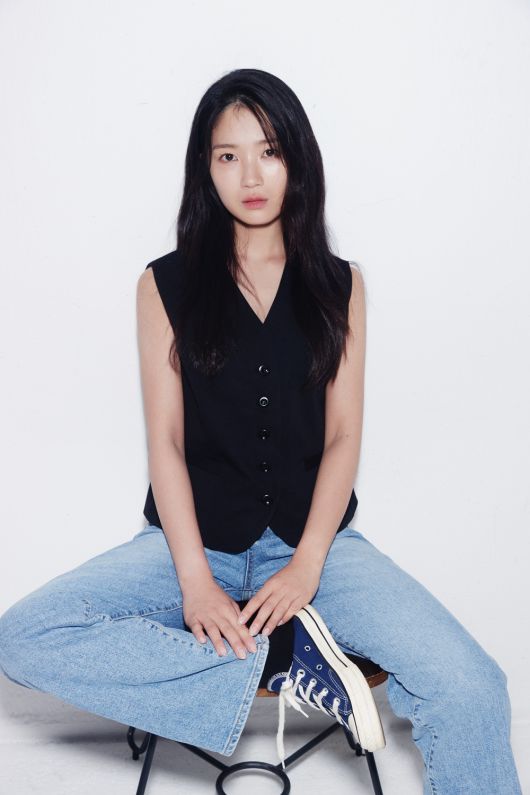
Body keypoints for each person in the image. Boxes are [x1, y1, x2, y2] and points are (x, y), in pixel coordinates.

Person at [0, 68, 522, 794]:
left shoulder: (340, 283)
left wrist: (306, 565)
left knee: (473, 687)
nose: (250, 175)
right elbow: (166, 444)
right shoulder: (164, 285)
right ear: (205, 168)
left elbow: (343, 437)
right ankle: (276, 661)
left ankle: (285, 645)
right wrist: (193, 582)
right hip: (193, 543)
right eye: (228, 155)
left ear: (296, 159)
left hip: (319, 547)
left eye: (268, 151)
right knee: (24, 634)